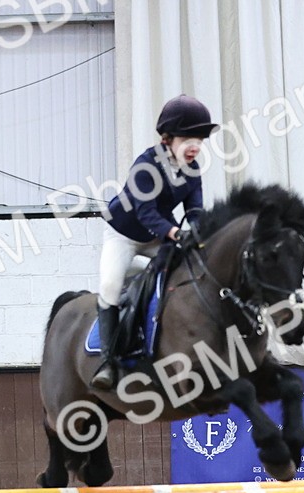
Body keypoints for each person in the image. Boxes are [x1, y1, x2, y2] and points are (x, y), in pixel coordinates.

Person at [93, 94, 220, 390]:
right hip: (123, 236)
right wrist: (177, 234)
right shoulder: (145, 165)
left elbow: (195, 210)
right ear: (168, 138)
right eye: (189, 139)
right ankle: (108, 362)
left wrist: (201, 233)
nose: (196, 147)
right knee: (110, 286)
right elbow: (146, 212)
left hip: (156, 238)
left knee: (191, 273)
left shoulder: (192, 168)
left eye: (200, 140)